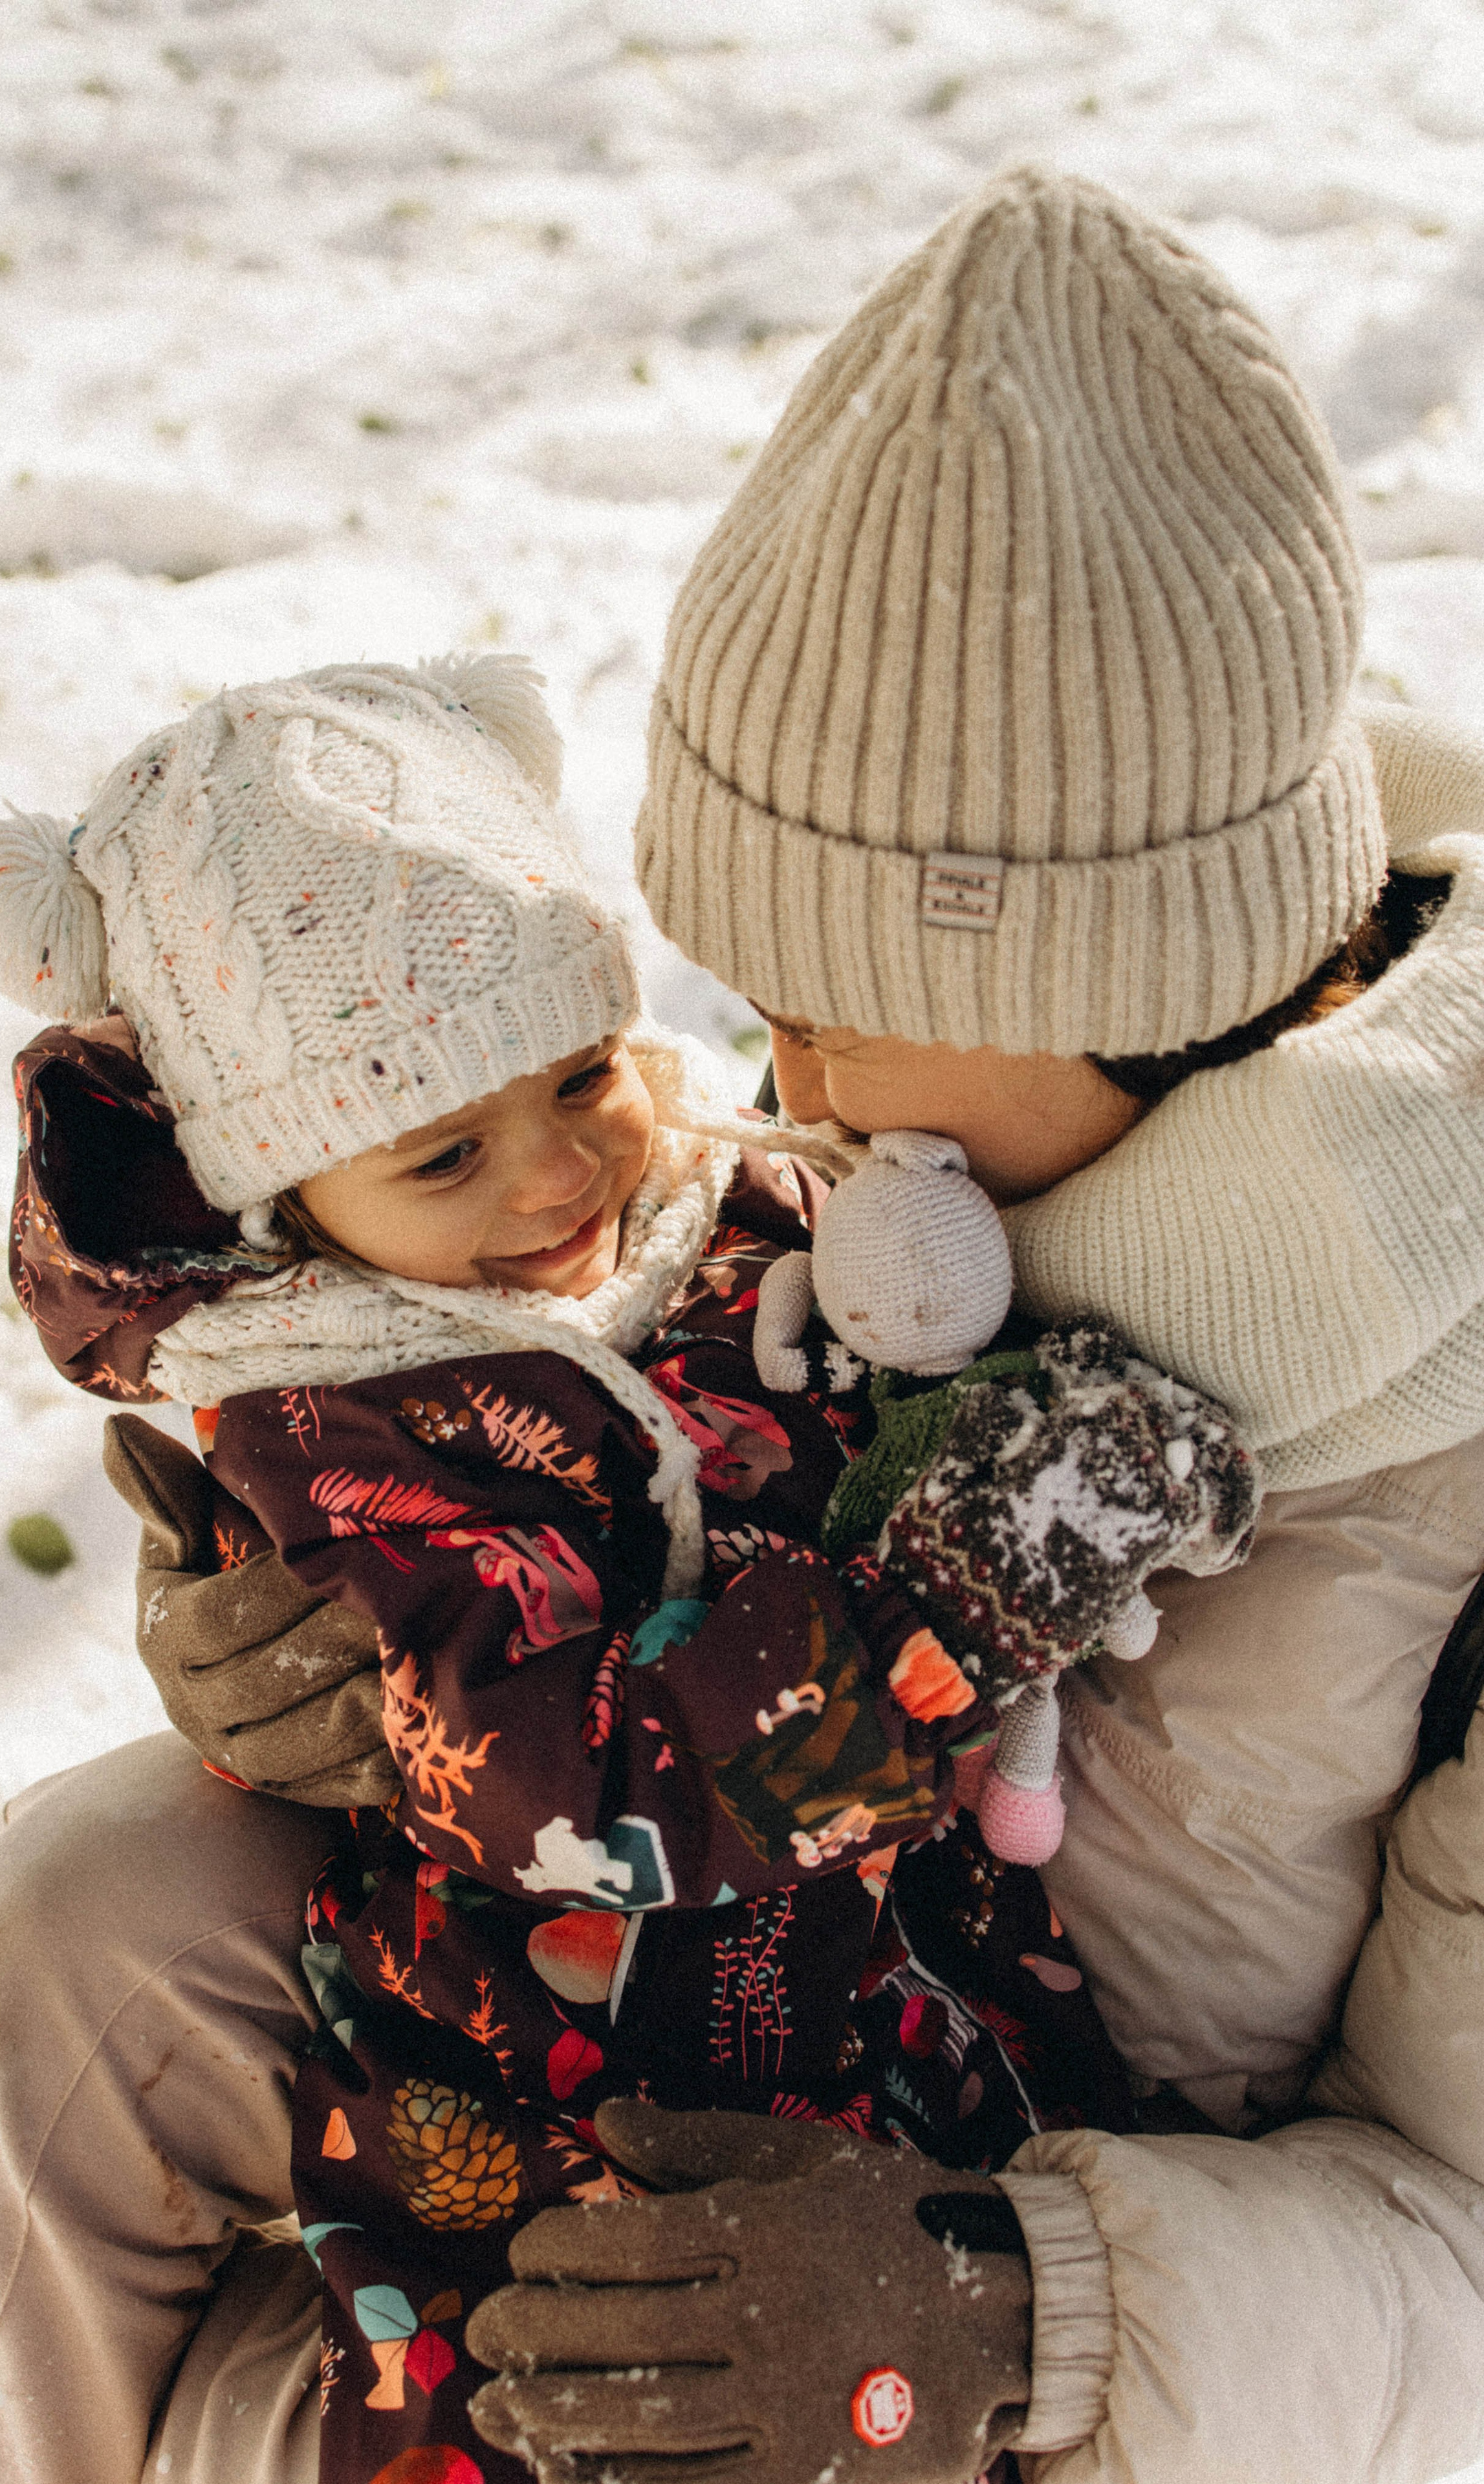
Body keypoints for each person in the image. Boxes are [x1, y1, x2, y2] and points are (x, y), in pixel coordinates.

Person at [0, 648, 1215, 2484]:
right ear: (289, 1196)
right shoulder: (343, 1427)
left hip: (897, 2036)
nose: (556, 1175)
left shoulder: (725, 1207)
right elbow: (571, 1780)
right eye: (444, 1151)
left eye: (581, 1072)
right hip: (537, 2120)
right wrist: (941, 1616)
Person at [467, 168, 1484, 2484]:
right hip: (597, 2094)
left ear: (1106, 990)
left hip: (1117, 2374)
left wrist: (1007, 2310)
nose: (779, 1087)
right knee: (93, 1922)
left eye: (840, 1003)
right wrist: (338, 1584)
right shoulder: (916, 1195)